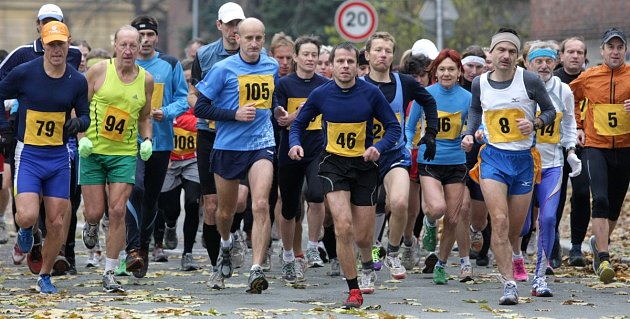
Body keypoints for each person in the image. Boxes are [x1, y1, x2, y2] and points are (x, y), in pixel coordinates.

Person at [289, 42, 401, 309]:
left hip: (364, 166)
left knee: (363, 236)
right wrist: (296, 143)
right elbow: (299, 123)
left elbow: (393, 128)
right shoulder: (321, 94)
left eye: (350, 62)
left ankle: (367, 261)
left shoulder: (371, 93)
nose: (345, 66)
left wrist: (378, 147)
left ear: (357, 65)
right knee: (343, 226)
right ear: (332, 64)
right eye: (340, 61)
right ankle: (353, 290)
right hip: (333, 164)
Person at [461, 28, 556, 305]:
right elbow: (476, 110)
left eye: (512, 51)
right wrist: (469, 133)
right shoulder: (480, 83)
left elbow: (549, 112)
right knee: (499, 222)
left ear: (518, 57)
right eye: (501, 50)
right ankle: (509, 284)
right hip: (492, 158)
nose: (506, 55)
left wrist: (535, 123)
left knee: (516, 229)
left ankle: (516, 254)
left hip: (523, 161)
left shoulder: (529, 80)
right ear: (491, 54)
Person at [2, 21, 90, 293]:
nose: (56, 50)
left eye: (60, 44)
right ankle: (29, 232)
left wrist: (78, 124)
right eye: (51, 44)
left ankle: (45, 275)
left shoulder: (77, 80)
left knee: (58, 221)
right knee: (26, 215)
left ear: (68, 44)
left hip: (58, 158)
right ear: (42, 43)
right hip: (29, 153)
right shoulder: (25, 73)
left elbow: (85, 115)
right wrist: (4, 128)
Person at [194, 17, 278, 294]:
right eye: (249, 38)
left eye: (259, 38)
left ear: (264, 40)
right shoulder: (222, 69)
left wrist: (277, 111)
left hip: (261, 143)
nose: (254, 43)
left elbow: (271, 98)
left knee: (261, 203)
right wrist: (234, 115)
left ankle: (255, 269)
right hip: (228, 146)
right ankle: (226, 245)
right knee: (225, 211)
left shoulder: (271, 65)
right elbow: (201, 108)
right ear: (237, 39)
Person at [80, 25, 154, 293]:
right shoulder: (99, 71)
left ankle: (109, 272)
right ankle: (89, 224)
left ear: (139, 48)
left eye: (133, 46)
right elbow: (79, 107)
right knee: (94, 211)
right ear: (115, 46)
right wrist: (81, 138)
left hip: (124, 153)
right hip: (94, 151)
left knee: (118, 211)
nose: (128, 50)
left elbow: (145, 116)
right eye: (123, 45)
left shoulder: (146, 79)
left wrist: (147, 140)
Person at [362, 32, 438, 285]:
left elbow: (429, 101)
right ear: (367, 54)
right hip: (363, 158)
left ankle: (393, 252)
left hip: (394, 153)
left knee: (400, 203)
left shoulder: (403, 82)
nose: (383, 55)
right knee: (367, 211)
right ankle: (369, 253)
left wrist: (430, 133)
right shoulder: (356, 84)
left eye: (388, 50)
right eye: (378, 50)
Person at [116, 15, 188, 279]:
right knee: (135, 189)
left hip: (161, 141)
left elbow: (183, 99)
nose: (145, 41)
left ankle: (143, 248)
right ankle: (132, 248)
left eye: (149, 36)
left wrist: (165, 112)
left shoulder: (169, 64)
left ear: (156, 37)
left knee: (151, 197)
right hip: (128, 141)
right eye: (140, 36)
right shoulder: (123, 65)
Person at [190, 1, 249, 290]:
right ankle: (217, 265)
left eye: (239, 23)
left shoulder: (254, 55)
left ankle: (232, 233)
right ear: (219, 26)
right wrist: (205, 108)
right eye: (229, 24)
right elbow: (194, 95)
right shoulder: (204, 55)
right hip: (210, 133)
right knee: (212, 205)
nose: (234, 29)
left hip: (242, 136)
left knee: (238, 201)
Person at [570, 28, 630, 284]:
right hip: (596, 146)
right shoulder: (590, 77)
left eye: (619, 47)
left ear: (625, 50)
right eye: (610, 47)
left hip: (626, 148)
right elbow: (568, 97)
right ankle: (603, 257)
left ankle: (597, 243)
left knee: (615, 205)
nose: (615, 52)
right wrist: (578, 126)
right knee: (601, 199)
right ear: (602, 51)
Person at [406, 48, 471, 284]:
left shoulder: (467, 98)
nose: (446, 73)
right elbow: (410, 126)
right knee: (436, 208)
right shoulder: (424, 95)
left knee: (454, 219)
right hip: (429, 158)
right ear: (435, 72)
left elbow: (475, 125)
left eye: (451, 69)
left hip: (456, 162)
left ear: (459, 72)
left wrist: (470, 136)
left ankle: (442, 264)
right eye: (442, 69)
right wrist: (407, 145)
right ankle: (430, 222)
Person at [520, 42, 580, 296]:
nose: (543, 66)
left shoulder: (564, 90)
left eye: (548, 61)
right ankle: (516, 258)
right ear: (528, 63)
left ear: (555, 63)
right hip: (521, 164)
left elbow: (568, 123)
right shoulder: (519, 88)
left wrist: (571, 151)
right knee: (521, 226)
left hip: (552, 165)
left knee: (547, 219)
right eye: (538, 61)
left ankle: (540, 277)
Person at [274, 35, 328, 283]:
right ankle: (287, 256)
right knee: (289, 207)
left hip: (318, 149)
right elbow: (281, 119)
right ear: (295, 57)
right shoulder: (285, 85)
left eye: (314, 55)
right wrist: (293, 114)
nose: (309, 59)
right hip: (290, 151)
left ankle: (313, 246)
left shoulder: (325, 85)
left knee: (316, 195)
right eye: (305, 54)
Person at [155, 58, 201, 271]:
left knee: (192, 203)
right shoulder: (169, 101)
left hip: (192, 158)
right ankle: (170, 227)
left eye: (191, 81)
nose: (187, 84)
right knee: (168, 208)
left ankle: (188, 253)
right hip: (170, 160)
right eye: (184, 80)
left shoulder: (198, 103)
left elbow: (202, 122)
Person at [553, 36, 590, 267]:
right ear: (562, 55)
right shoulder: (552, 81)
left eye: (579, 52)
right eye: (571, 52)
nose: (575, 56)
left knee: (581, 192)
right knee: (554, 198)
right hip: (554, 145)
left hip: (584, 145)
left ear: (585, 57)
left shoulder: (592, 79)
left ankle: (576, 247)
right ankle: (553, 244)